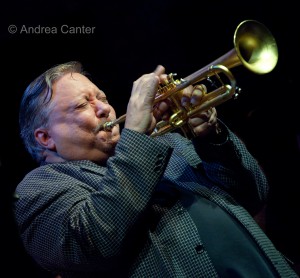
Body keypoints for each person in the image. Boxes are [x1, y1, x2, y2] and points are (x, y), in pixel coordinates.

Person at [13, 61, 298, 278]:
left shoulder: (168, 142)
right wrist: (137, 137)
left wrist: (212, 138)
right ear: (45, 138)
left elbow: (254, 193)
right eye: (81, 105)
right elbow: (91, 245)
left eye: (101, 97)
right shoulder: (37, 188)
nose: (104, 109)